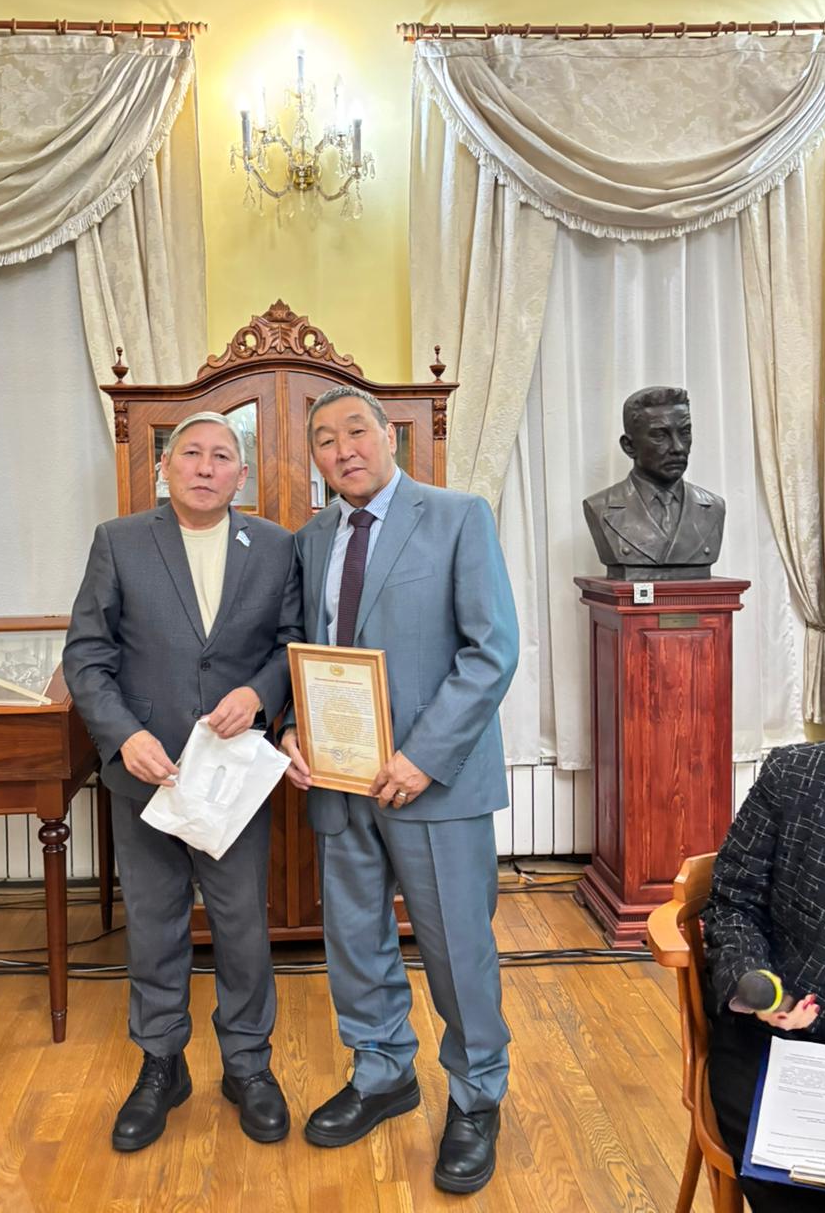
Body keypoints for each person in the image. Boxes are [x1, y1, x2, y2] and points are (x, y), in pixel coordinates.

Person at [281, 385, 519, 1195]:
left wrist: (423, 756)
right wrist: (293, 729)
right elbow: (302, 647)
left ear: (390, 436)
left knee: (455, 944)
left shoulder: (458, 517)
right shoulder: (312, 538)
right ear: (314, 458)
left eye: (356, 430)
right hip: (339, 778)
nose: (342, 448)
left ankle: (477, 1095)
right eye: (324, 439)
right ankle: (382, 1071)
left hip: (433, 783)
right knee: (354, 938)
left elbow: (491, 652)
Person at [63, 411, 302, 1153]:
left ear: (242, 474)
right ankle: (161, 1065)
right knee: (155, 924)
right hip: (147, 775)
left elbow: (292, 644)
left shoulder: (276, 546)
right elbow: (86, 656)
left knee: (241, 926)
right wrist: (124, 736)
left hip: (231, 780)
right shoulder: (120, 541)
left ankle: (249, 1065)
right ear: (164, 469)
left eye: (221, 456)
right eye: (190, 453)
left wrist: (260, 693)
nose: (205, 467)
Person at [703, 741, 825, 1212]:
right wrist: (755, 983)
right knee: (803, 1189)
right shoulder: (795, 775)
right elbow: (732, 904)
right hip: (782, 1046)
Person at [582, 385, 725, 579]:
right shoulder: (600, 506)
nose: (678, 447)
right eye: (660, 435)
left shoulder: (714, 507)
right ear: (629, 446)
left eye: (684, 432)